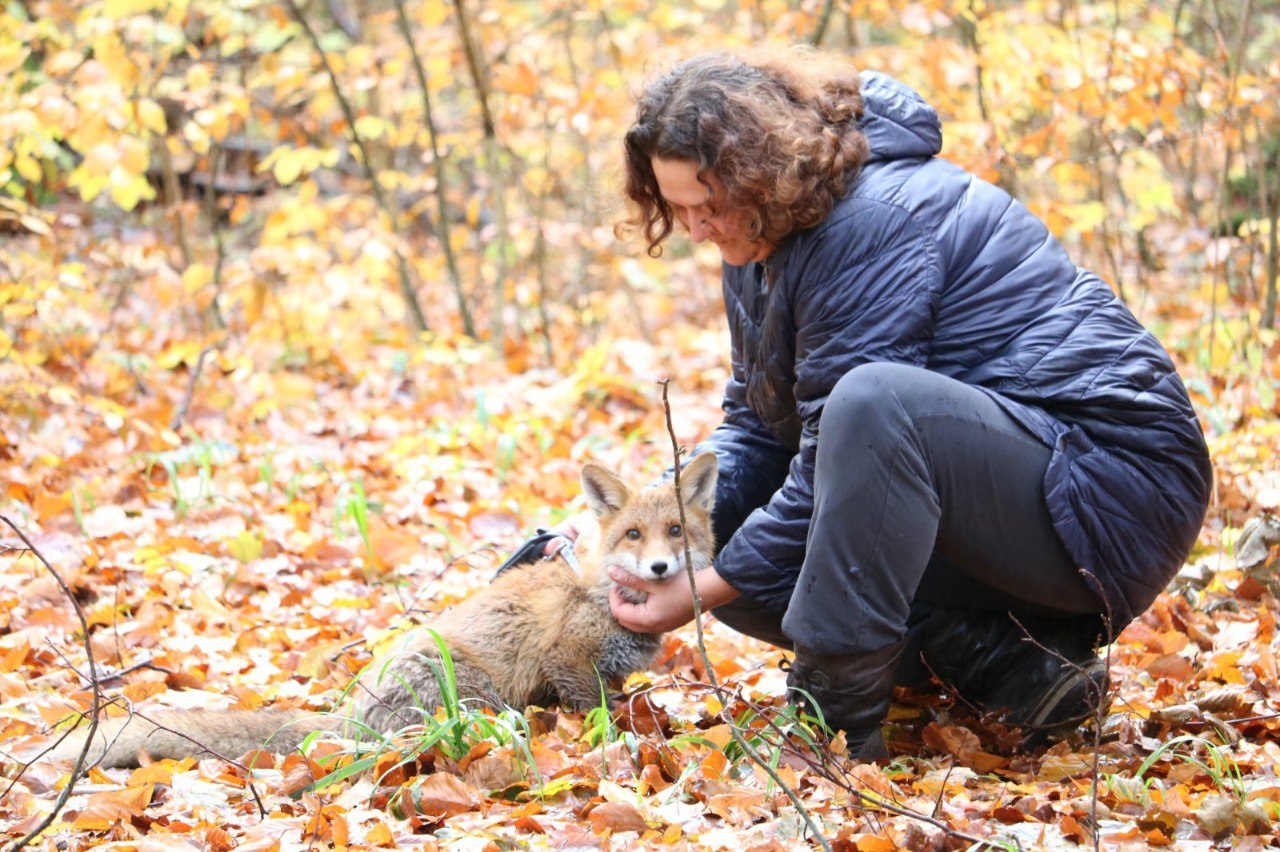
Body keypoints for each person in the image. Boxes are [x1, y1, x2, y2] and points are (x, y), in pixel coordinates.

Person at [556, 46, 1212, 760]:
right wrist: (642, 524)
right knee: (712, 528)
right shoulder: (759, 238)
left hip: (1110, 484)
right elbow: (756, 426)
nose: (695, 230)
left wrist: (710, 588)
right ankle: (1006, 664)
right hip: (996, 486)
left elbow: (854, 429)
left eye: (707, 205)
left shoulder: (873, 219)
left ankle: (833, 727)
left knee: (870, 406)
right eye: (676, 207)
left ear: (759, 174)